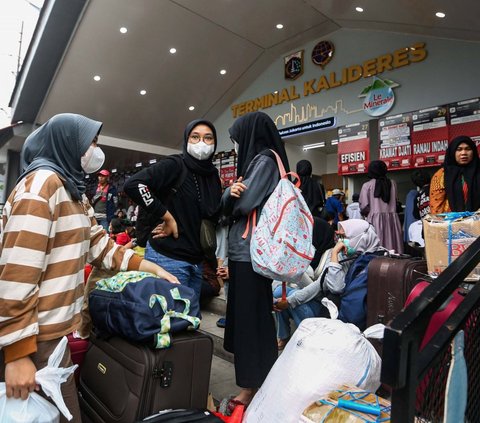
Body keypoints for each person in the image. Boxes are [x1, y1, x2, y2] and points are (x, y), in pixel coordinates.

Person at [0, 113, 178, 422]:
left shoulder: (72, 191)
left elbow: (100, 245)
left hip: (53, 336)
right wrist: (17, 354)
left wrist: (149, 267)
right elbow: (17, 273)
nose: (95, 150)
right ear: (66, 143)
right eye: (90, 143)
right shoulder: (42, 186)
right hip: (35, 341)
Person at [220, 111, 289, 409]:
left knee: (250, 322)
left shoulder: (263, 161)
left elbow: (244, 203)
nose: (236, 146)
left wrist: (228, 199)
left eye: (236, 140)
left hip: (250, 253)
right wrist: (229, 197)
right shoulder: (262, 161)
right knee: (254, 320)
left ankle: (249, 387)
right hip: (247, 252)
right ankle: (262, 380)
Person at [123, 119, 222, 301]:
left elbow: (212, 213)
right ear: (186, 140)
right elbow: (133, 185)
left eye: (208, 138)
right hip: (168, 258)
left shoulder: (213, 175)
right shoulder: (176, 165)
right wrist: (167, 216)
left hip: (197, 262)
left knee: (188, 320)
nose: (201, 142)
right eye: (195, 137)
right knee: (167, 321)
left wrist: (231, 195)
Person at [273, 219, 385, 340]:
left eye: (344, 236)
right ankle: (284, 336)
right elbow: (318, 285)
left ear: (360, 238)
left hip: (336, 313)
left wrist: (334, 255)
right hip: (324, 301)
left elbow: (336, 287)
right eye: (339, 236)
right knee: (281, 294)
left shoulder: (365, 261)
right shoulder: (341, 254)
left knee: (294, 299)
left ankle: (309, 340)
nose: (340, 241)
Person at [359, 160, 403, 253]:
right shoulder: (393, 183)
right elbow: (396, 201)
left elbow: (364, 207)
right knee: (393, 246)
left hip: (375, 221)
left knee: (377, 248)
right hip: (392, 221)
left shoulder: (367, 186)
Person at [430, 135, 480, 214]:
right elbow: (436, 207)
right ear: (452, 152)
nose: (463, 153)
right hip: (451, 223)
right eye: (459, 149)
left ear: (473, 151)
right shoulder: (441, 174)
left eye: (468, 149)